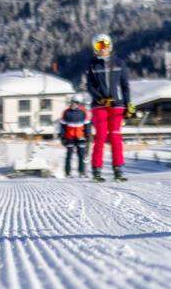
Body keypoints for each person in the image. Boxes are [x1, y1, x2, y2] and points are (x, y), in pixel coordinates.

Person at [84, 33, 135, 182]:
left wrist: (128, 104)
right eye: (99, 46)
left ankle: (118, 170)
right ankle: (97, 171)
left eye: (105, 45)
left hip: (116, 105)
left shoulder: (119, 63)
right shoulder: (93, 65)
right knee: (100, 136)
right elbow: (90, 86)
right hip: (99, 106)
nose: (102, 49)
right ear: (94, 48)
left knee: (115, 136)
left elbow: (125, 86)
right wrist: (99, 98)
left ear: (110, 46)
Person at [57, 96, 92, 178]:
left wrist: (88, 135)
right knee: (69, 155)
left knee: (81, 155)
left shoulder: (83, 111)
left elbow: (87, 125)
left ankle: (82, 172)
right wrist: (62, 136)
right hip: (69, 137)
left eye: (75, 102)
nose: (73, 104)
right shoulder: (66, 112)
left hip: (81, 136)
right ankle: (68, 172)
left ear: (78, 103)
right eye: (72, 102)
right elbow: (63, 126)